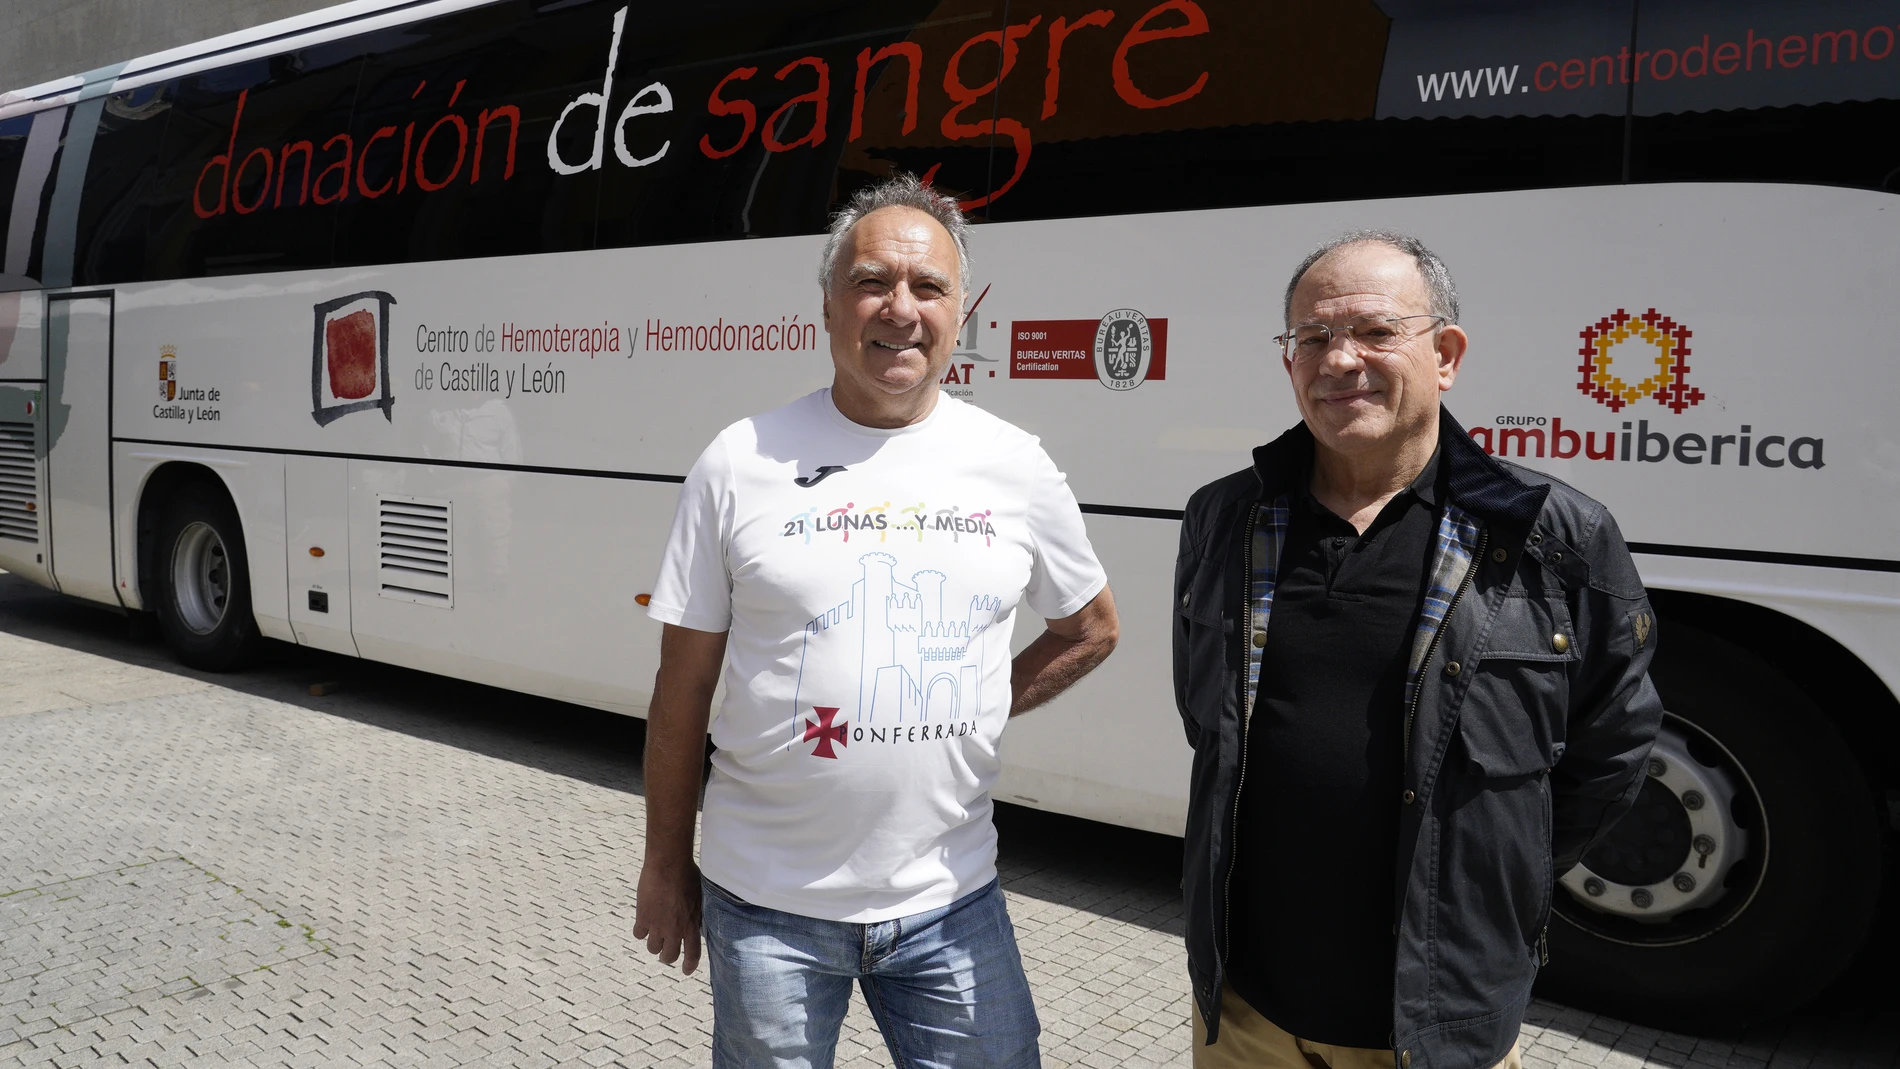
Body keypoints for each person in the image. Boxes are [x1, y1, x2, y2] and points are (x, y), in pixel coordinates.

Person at [633, 173, 1120, 1069]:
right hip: (764, 905)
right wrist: (666, 865)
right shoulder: (738, 461)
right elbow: (682, 687)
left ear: (962, 311)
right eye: (872, 282)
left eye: (928, 286)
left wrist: (978, 700)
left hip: (952, 899)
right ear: (826, 304)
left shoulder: (1015, 465)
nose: (901, 307)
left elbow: (1092, 626)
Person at [1172, 231, 1664, 1069]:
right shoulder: (1226, 516)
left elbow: (1613, 746)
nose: (1339, 360)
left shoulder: (1553, 536)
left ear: (1445, 354)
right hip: (1245, 1016)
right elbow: (1206, 719)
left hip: (1435, 1032)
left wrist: (1492, 875)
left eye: (1373, 331)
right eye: (1312, 338)